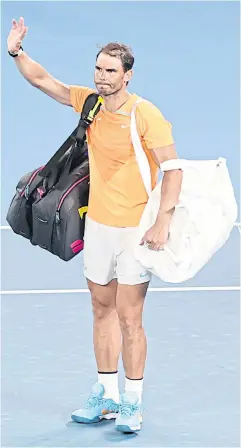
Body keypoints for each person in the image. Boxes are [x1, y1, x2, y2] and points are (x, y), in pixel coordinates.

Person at [7, 17, 183, 433]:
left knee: (129, 318)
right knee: (100, 309)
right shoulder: (90, 102)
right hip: (99, 228)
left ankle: (133, 403)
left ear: (128, 75)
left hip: (136, 230)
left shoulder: (145, 114)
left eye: (110, 71)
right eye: (98, 69)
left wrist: (162, 222)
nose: (102, 77)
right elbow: (44, 81)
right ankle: (106, 395)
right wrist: (16, 52)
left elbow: (173, 169)